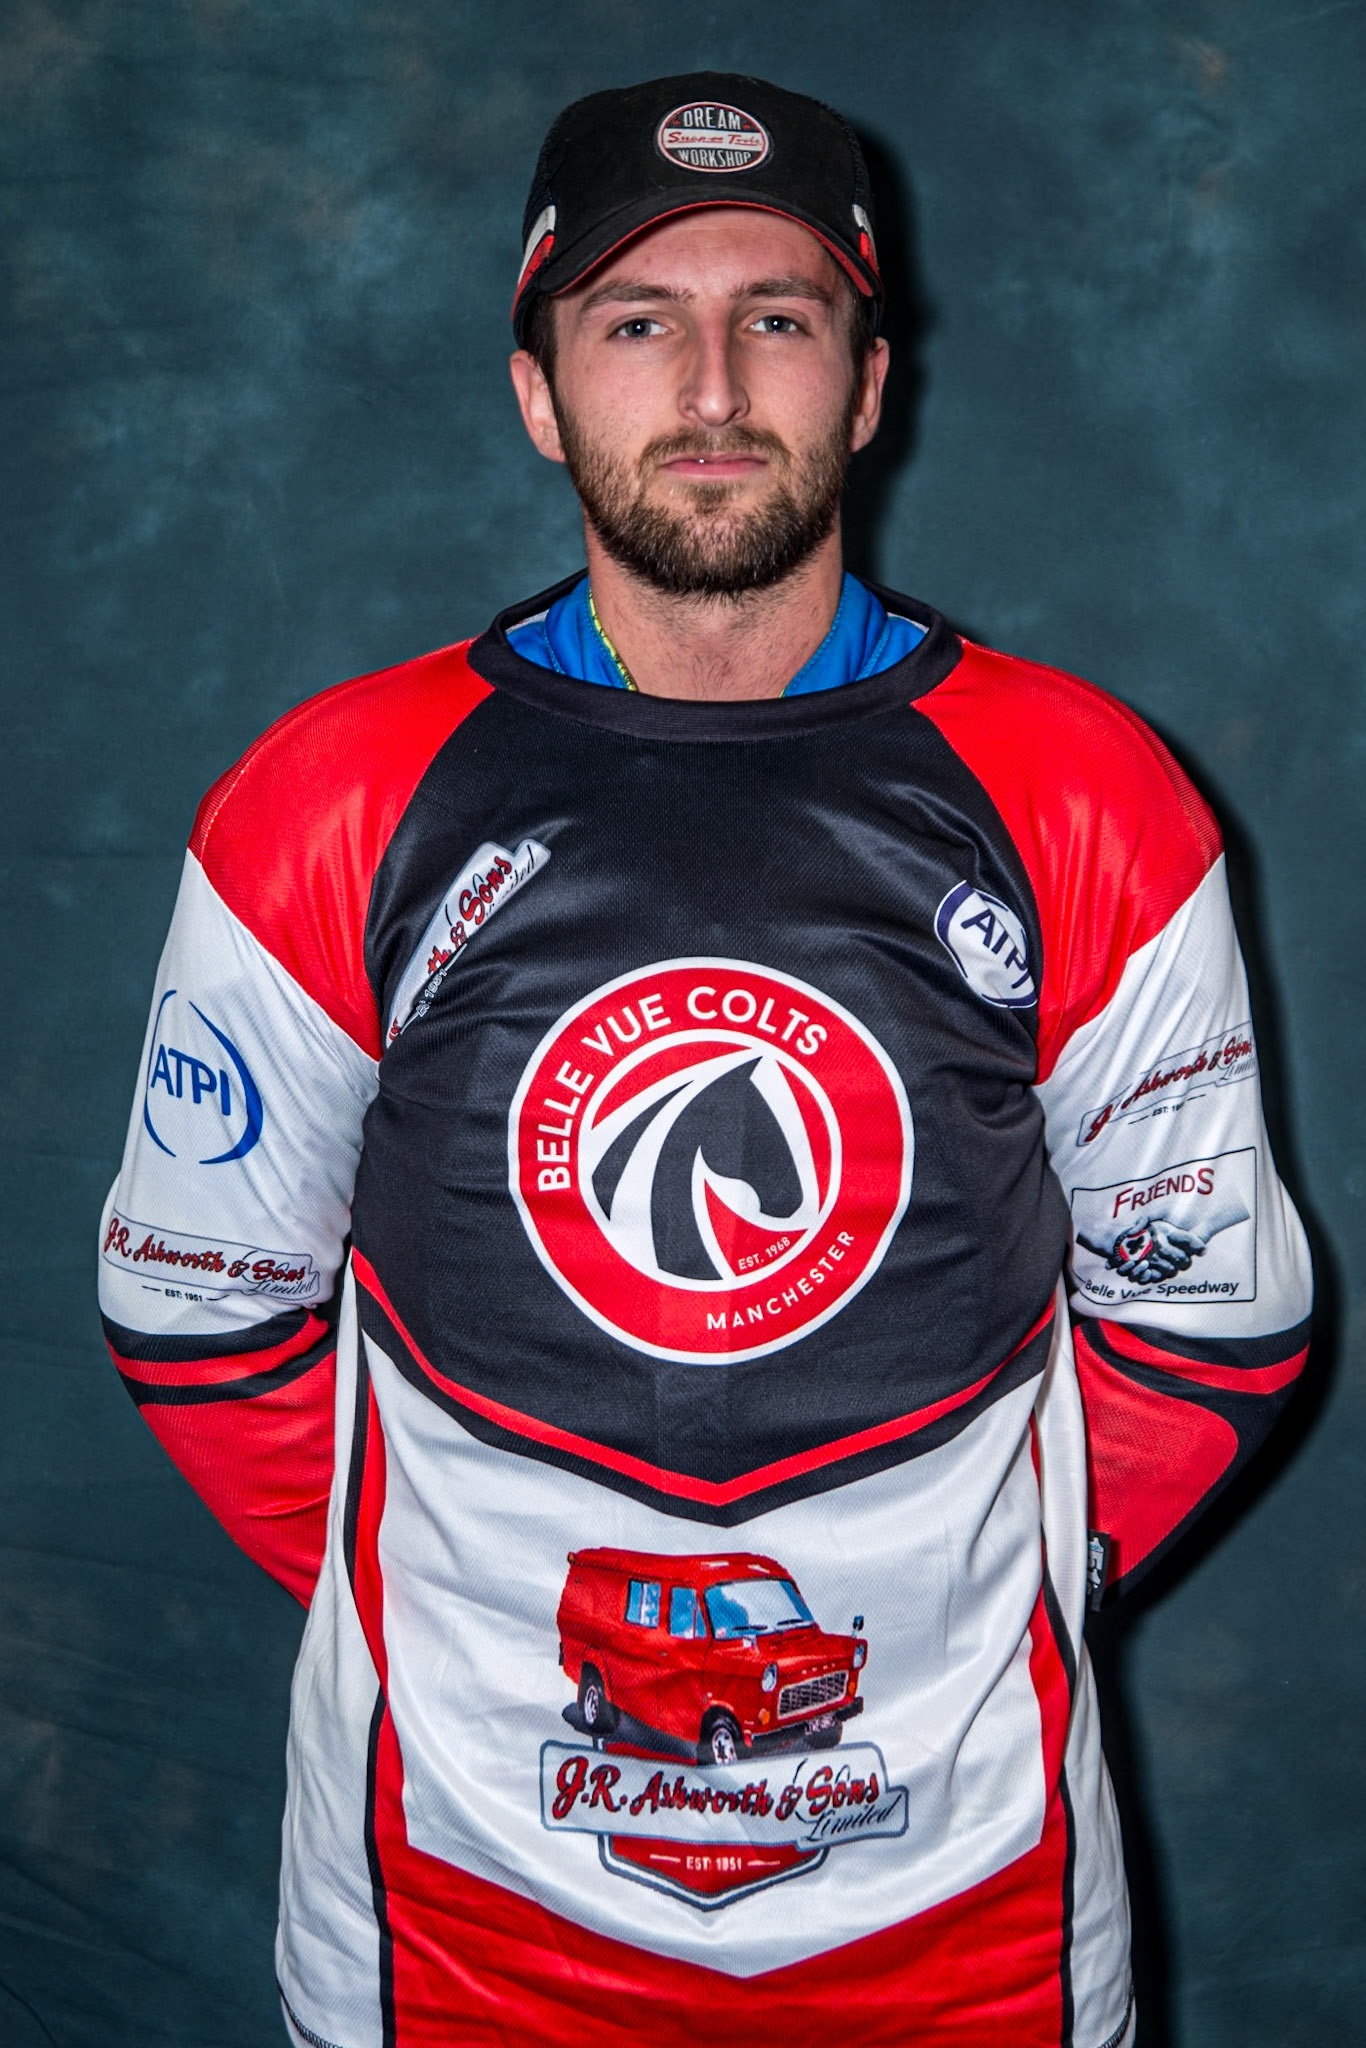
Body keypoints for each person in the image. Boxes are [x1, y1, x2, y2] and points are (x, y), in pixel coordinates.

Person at [98, 71, 1312, 2048]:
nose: (714, 386)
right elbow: (197, 1317)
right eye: (636, 323)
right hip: (451, 1934)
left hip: (976, 1937)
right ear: (535, 389)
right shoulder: (330, 801)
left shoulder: (1082, 793)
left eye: (779, 317)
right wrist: (446, 1617)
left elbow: (1208, 1331)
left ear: (865, 380)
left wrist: (965, 1596)